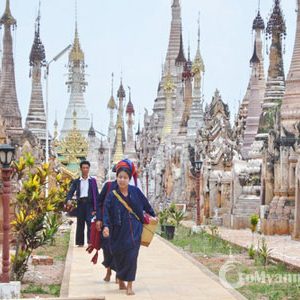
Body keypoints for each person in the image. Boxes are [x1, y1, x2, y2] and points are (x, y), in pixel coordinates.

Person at [102, 159, 156, 295]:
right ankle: (120, 278)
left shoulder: (135, 191)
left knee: (132, 257)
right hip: (117, 230)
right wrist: (106, 226)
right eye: (120, 177)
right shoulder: (112, 195)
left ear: (129, 179)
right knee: (119, 255)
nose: (122, 180)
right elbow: (106, 212)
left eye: (125, 178)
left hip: (134, 230)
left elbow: (146, 204)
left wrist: (152, 215)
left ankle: (130, 285)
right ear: (117, 178)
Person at [66, 160, 99, 247]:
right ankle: (80, 242)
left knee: (90, 223)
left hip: (90, 205)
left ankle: (90, 242)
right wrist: (69, 199)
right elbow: (70, 192)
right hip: (80, 204)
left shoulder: (93, 181)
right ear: (81, 169)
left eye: (87, 168)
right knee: (80, 224)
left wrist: (96, 208)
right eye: (83, 168)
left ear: (89, 169)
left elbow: (96, 194)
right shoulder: (77, 181)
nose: (85, 169)